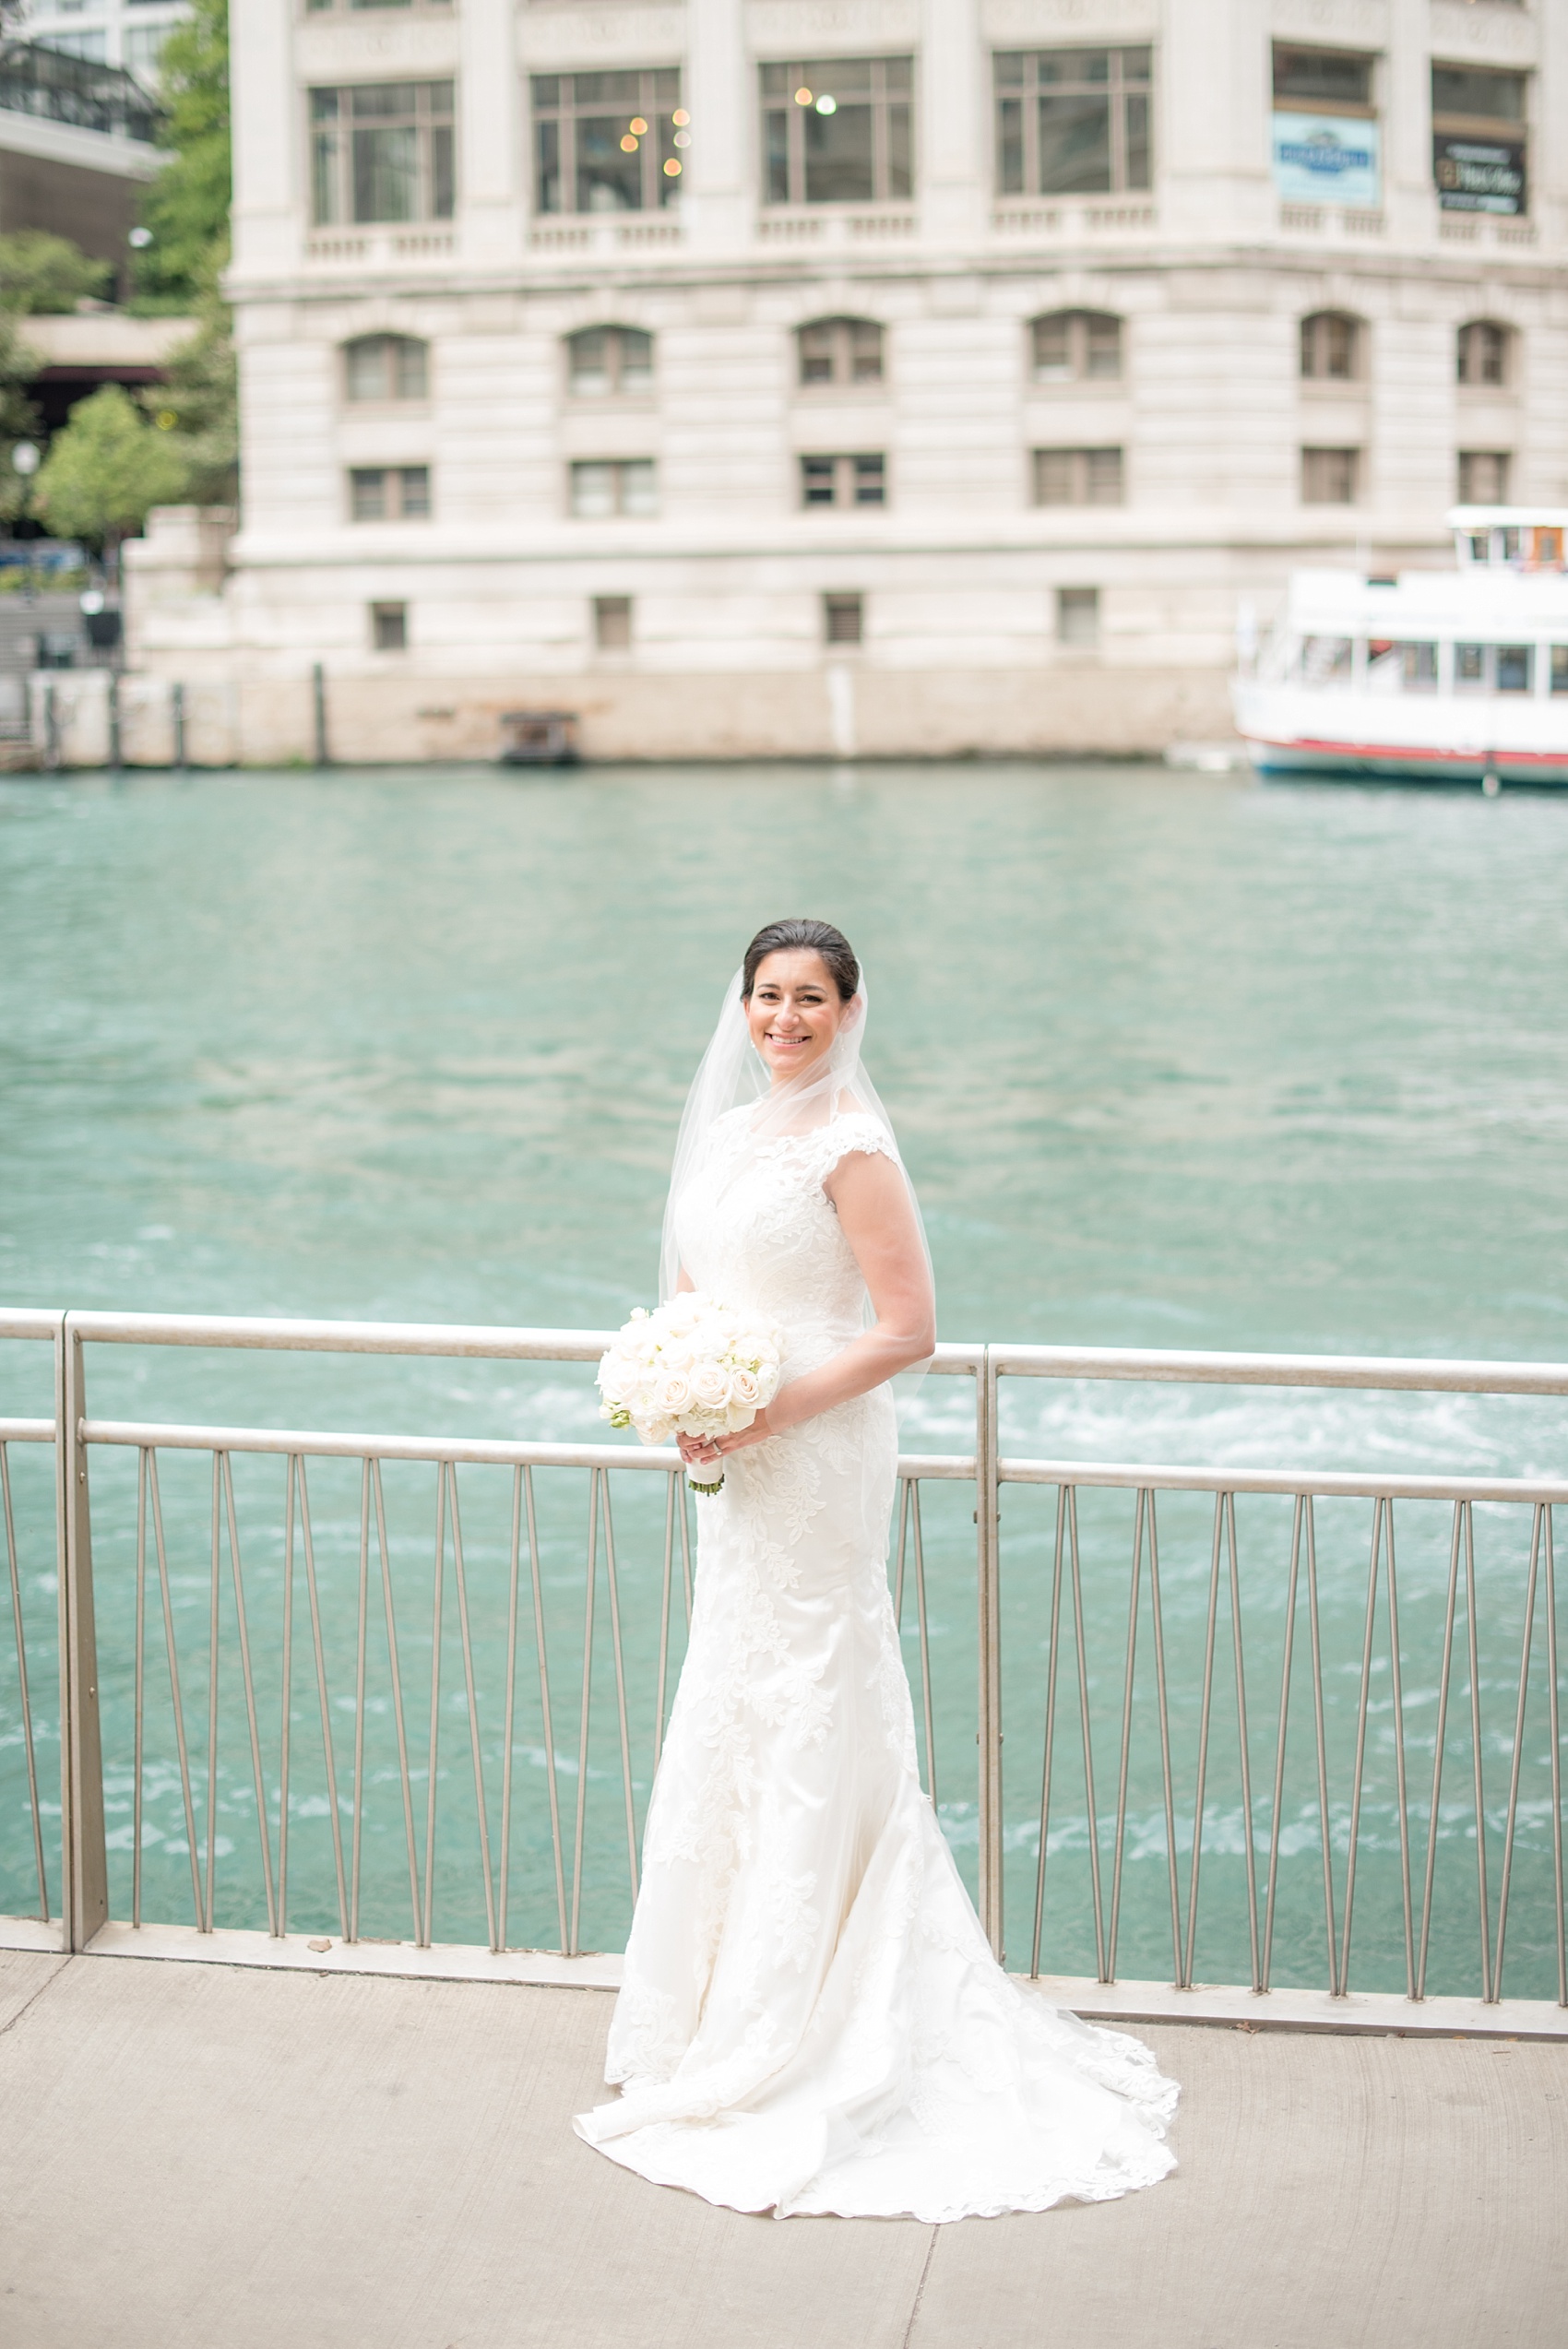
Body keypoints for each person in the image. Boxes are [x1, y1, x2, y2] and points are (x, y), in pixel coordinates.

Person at [575, 919, 1177, 2220]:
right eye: (767, 996)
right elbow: (693, 1284)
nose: (785, 1018)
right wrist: (680, 1384)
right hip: (734, 1462)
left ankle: (828, 2017)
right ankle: (714, 2019)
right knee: (735, 1699)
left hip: (815, 1453)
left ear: (850, 1012)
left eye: (810, 999)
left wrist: (764, 1409)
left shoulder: (856, 1149)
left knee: (814, 1701)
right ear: (740, 1006)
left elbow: (909, 1328)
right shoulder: (730, 1137)